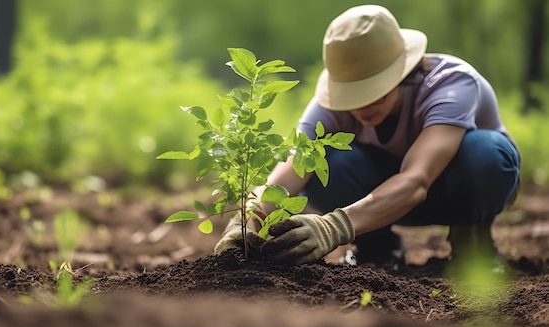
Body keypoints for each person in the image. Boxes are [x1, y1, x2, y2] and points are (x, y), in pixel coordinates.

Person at [214, 5, 521, 268]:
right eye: (353, 95)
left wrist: (334, 228)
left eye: (375, 90)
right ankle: (377, 247)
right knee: (322, 160)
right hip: (382, 199)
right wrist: (245, 221)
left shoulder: (451, 84)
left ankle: (473, 241)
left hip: (452, 192)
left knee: (485, 154)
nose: (362, 105)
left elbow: (416, 180)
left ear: (402, 72)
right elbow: (290, 169)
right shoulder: (329, 104)